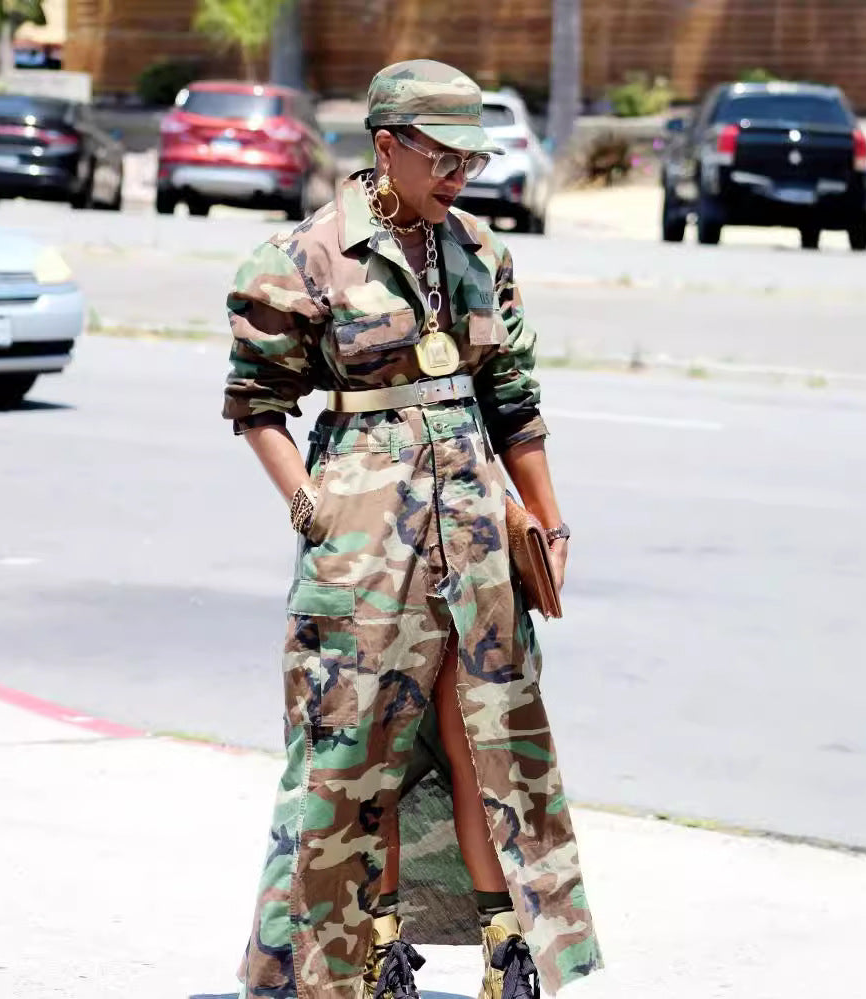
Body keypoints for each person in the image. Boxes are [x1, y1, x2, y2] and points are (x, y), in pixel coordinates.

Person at [223, 59, 602, 999]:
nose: (460, 175)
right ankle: (369, 954)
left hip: (473, 530)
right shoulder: (305, 256)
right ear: (385, 147)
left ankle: (509, 947)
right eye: (442, 156)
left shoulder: (479, 249)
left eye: (470, 158)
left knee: (488, 733)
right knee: (360, 746)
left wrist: (547, 521)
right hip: (363, 538)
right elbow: (255, 401)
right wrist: (306, 506)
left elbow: (513, 400)